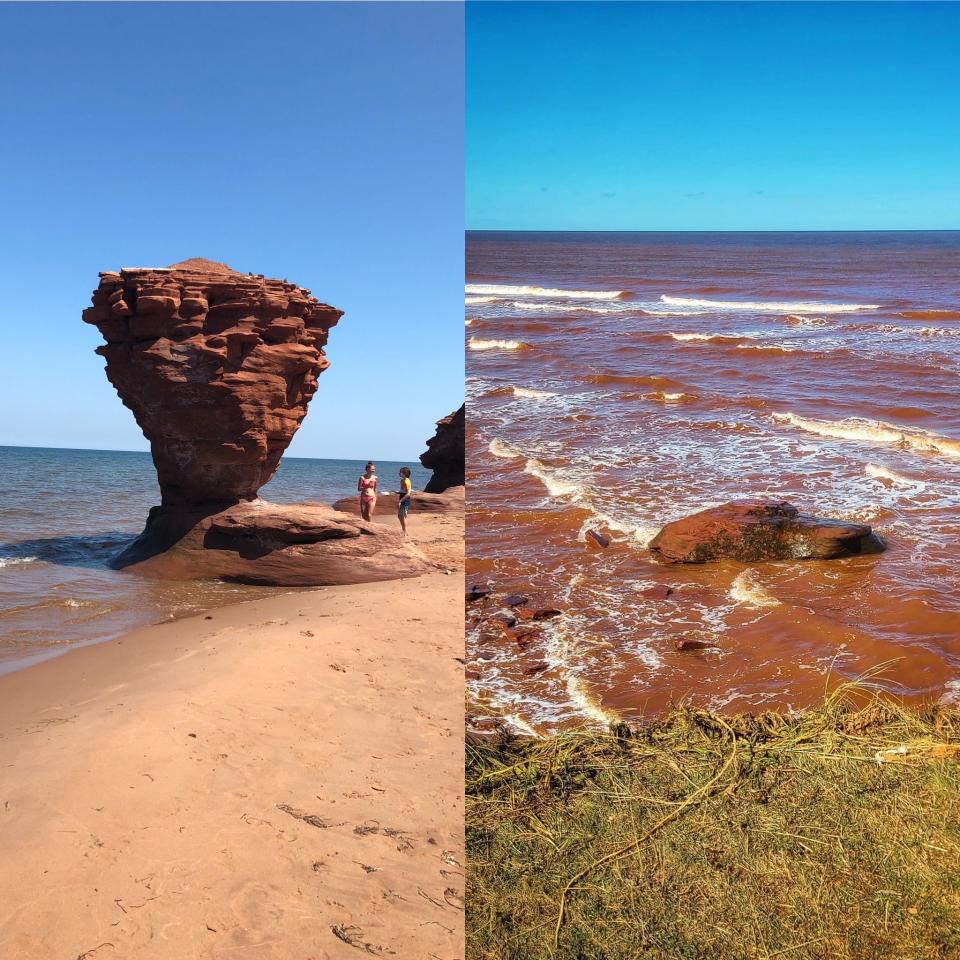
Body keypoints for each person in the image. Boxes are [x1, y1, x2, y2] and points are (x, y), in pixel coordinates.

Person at [397, 466, 413, 536]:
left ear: (405, 473)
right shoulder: (402, 480)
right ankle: (404, 531)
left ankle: (405, 532)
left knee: (401, 516)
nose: (399, 473)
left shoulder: (406, 481)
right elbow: (403, 491)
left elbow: (408, 494)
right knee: (401, 516)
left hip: (405, 499)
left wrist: (400, 501)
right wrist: (398, 492)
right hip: (403, 497)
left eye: (401, 472)